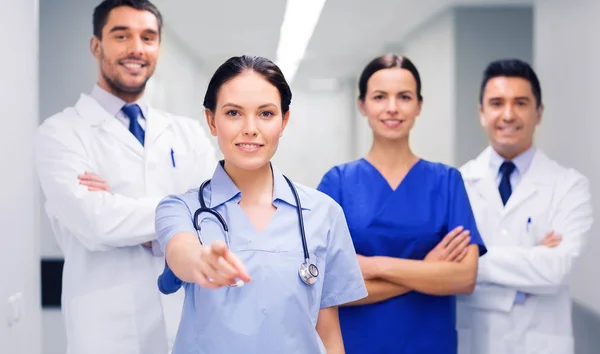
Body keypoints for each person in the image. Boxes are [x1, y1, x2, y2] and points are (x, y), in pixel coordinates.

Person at [34, 1, 216, 353]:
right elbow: (96, 223)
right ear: (96, 46)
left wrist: (122, 210)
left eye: (148, 37)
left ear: (158, 47)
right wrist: (177, 218)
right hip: (106, 331)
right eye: (122, 35)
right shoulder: (60, 133)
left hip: (185, 323)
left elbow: (213, 216)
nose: (137, 48)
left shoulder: (188, 133)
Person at [154, 55, 367, 354]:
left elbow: (328, 330)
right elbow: (181, 251)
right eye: (233, 113)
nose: (250, 128)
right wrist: (201, 261)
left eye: (266, 114)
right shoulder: (181, 209)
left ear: (284, 121)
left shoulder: (323, 213)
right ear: (212, 121)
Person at [316, 54, 487, 354]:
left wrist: (373, 266)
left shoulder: (447, 181)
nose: (392, 107)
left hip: (431, 345)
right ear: (363, 105)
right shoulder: (338, 183)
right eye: (380, 96)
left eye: (404, 97)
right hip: (358, 345)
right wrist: (427, 271)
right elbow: (326, 287)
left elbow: (464, 277)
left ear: (419, 105)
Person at [456, 59, 593, 354]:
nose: (508, 114)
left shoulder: (569, 186)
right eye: (496, 103)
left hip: (541, 341)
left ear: (538, 113)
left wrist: (471, 263)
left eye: (520, 103)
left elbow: (556, 268)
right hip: (475, 340)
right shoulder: (458, 183)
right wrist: (532, 257)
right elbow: (446, 271)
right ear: (482, 113)